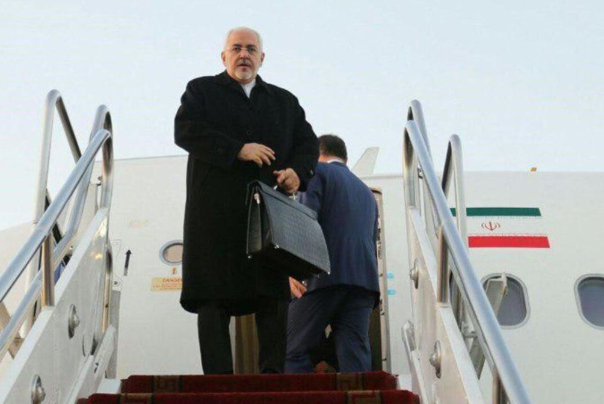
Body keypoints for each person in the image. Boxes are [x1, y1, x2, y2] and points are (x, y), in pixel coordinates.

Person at [174, 27, 318, 374]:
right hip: (215, 216)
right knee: (213, 298)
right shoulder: (201, 91)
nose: (243, 55)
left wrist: (297, 172)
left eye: (251, 49)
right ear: (223, 56)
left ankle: (272, 379)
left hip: (268, 216)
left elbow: (308, 144)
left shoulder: (284, 101)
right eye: (236, 48)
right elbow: (185, 131)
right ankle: (218, 383)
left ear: (261, 58)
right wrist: (237, 149)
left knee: (272, 297)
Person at [285, 134, 379, 373]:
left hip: (322, 278)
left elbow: (306, 220)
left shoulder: (316, 172)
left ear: (317, 154)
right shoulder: (367, 192)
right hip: (363, 284)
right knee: (354, 357)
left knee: (293, 351)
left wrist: (293, 269)